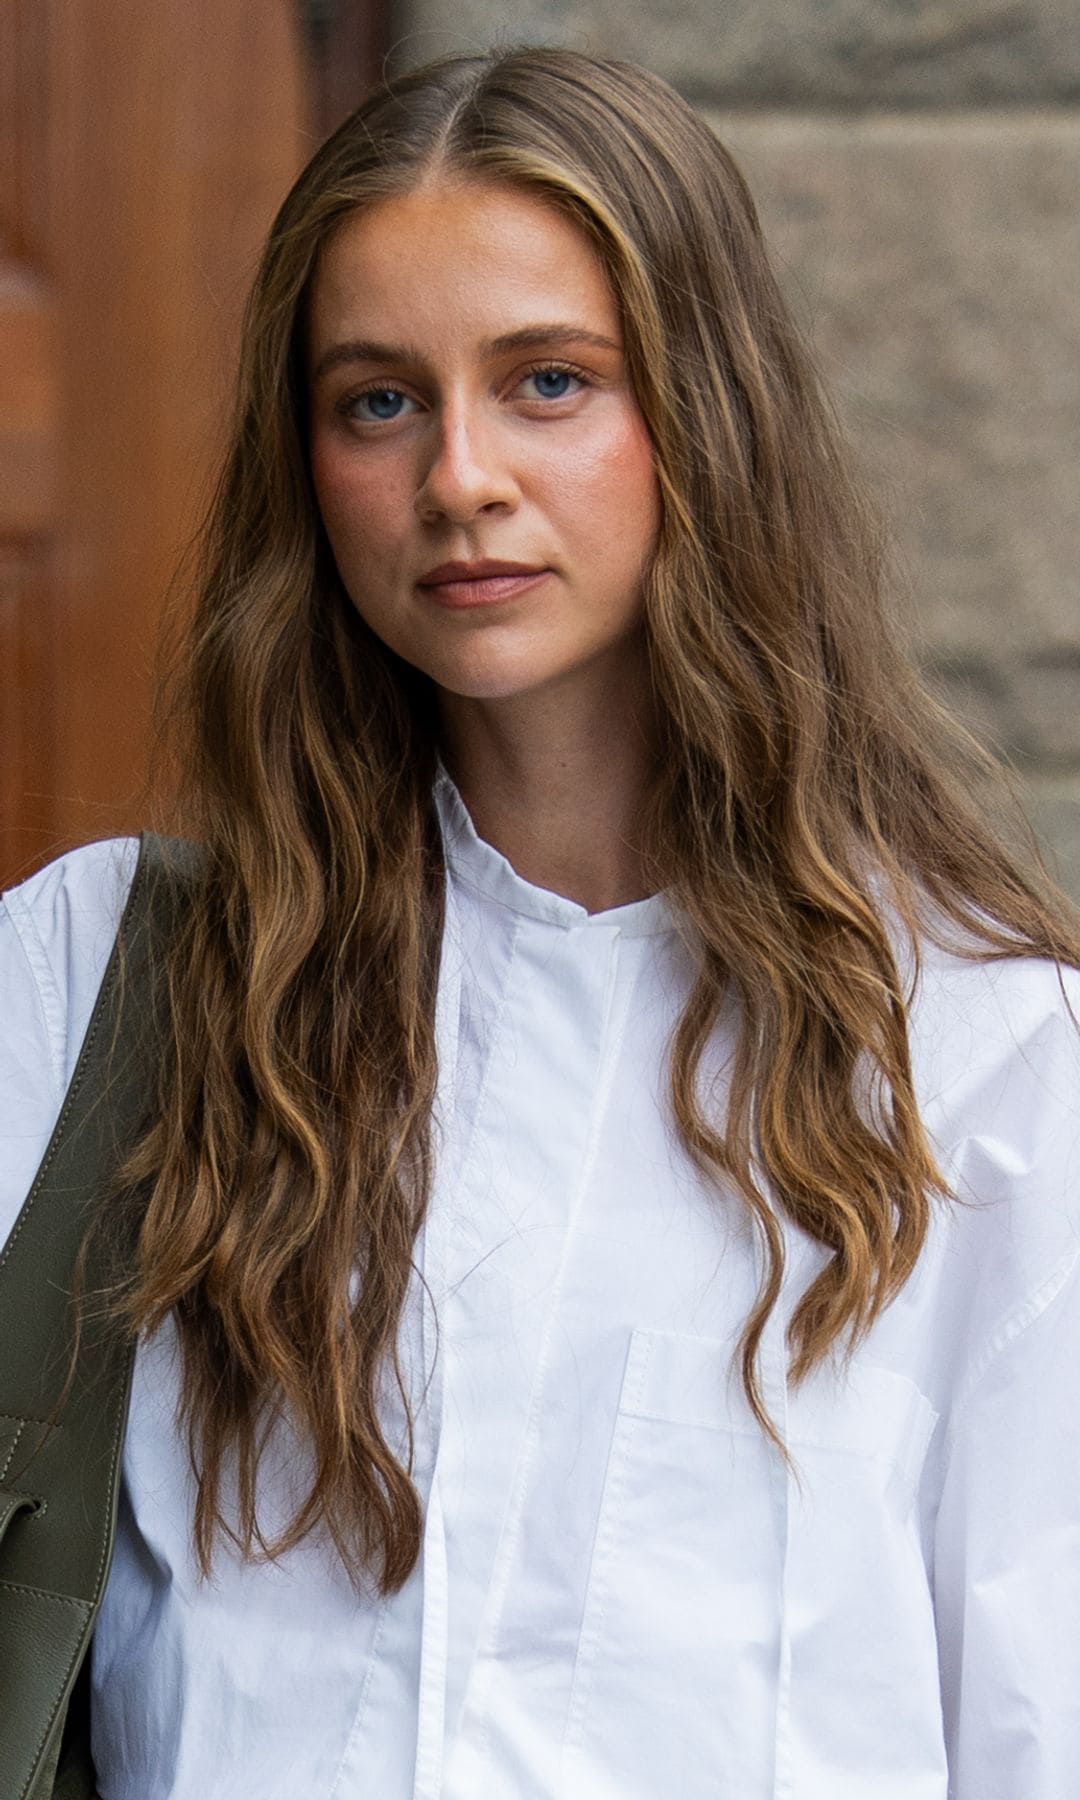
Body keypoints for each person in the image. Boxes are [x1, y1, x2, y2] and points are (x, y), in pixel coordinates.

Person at [2, 42, 1078, 1800]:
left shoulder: (981, 1061)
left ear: (703, 412)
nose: (462, 476)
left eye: (550, 381)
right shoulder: (108, 981)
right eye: (377, 400)